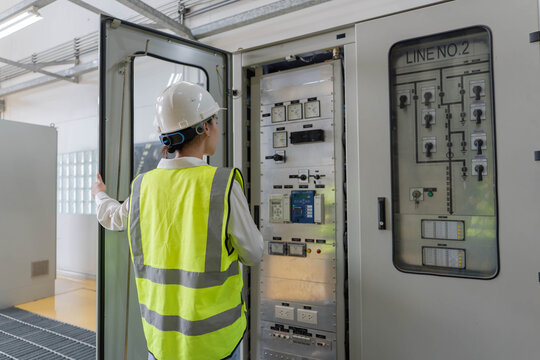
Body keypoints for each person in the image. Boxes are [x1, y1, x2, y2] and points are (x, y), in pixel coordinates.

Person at [92, 81, 264, 360]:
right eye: (216, 120)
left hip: (161, 343)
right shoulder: (221, 184)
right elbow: (254, 254)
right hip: (215, 343)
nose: (217, 128)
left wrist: (100, 195)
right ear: (205, 127)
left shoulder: (143, 186)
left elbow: (112, 217)